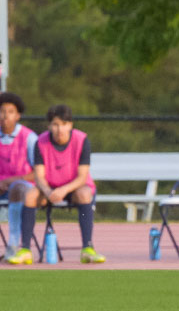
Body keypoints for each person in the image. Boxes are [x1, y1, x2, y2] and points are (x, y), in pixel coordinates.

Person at [6, 104, 105, 264]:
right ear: (49, 126)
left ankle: (88, 247)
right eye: (56, 124)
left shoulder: (82, 140)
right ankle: (25, 249)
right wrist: (48, 191)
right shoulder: (41, 142)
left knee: (85, 194)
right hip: (49, 187)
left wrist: (62, 190)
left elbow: (82, 177)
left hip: (73, 187)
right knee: (30, 195)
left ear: (71, 125)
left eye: (64, 124)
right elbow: (38, 175)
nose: (60, 129)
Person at [1, 92, 38, 262]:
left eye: (10, 111)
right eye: (2, 111)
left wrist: (10, 180)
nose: (5, 116)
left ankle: (14, 244)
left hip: (24, 187)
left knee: (17, 188)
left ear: (18, 115)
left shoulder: (29, 138)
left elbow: (38, 171)